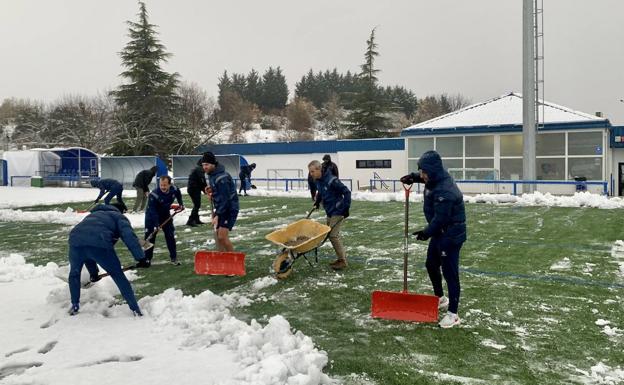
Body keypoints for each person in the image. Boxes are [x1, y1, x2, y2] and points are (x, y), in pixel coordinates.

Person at [400, 150, 466, 329]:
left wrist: (425, 233)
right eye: (421, 171)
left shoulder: (445, 190)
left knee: (450, 273)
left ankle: (453, 314)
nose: (422, 175)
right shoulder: (434, 178)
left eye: (423, 172)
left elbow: (440, 219)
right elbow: (426, 178)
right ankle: (441, 298)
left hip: (451, 234)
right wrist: (413, 177)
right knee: (431, 264)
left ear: (433, 171)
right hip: (440, 233)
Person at [67, 202, 148, 316]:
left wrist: (93, 273)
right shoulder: (119, 217)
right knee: (117, 275)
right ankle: (135, 309)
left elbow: (88, 250)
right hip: (100, 243)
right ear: (120, 211)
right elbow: (129, 237)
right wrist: (141, 258)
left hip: (75, 241)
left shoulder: (92, 215)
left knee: (74, 274)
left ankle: (75, 305)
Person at [308, 160, 351, 270]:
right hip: (330, 211)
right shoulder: (318, 180)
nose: (311, 174)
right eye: (310, 171)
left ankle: (342, 261)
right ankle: (341, 258)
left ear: (318, 169)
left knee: (333, 235)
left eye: (312, 171)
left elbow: (346, 192)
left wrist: (345, 208)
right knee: (331, 235)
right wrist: (317, 201)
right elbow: (321, 192)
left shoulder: (332, 180)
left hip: (338, 210)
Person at [144, 175, 185, 265]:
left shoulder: (174, 189)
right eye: (161, 185)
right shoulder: (154, 194)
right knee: (150, 237)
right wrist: (156, 224)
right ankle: (147, 259)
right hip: (151, 217)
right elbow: (152, 211)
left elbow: (178, 193)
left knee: (170, 235)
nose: (162, 187)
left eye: (165, 185)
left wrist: (181, 204)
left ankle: (174, 258)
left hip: (165, 215)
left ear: (169, 184)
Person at [204, 152, 239, 252]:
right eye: (203, 165)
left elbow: (225, 198)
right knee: (219, 237)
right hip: (221, 208)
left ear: (213, 164)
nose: (204, 167)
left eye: (206, 164)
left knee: (222, 237)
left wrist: (217, 215)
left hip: (229, 208)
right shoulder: (212, 175)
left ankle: (233, 261)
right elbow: (218, 190)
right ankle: (223, 259)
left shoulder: (222, 177)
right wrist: (211, 190)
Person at [186, 158, 210, 227]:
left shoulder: (197, 169)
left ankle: (196, 219)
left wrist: (204, 189)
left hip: (193, 188)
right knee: (197, 205)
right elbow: (202, 181)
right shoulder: (200, 169)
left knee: (197, 204)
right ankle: (190, 220)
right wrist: (206, 190)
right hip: (194, 189)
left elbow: (201, 181)